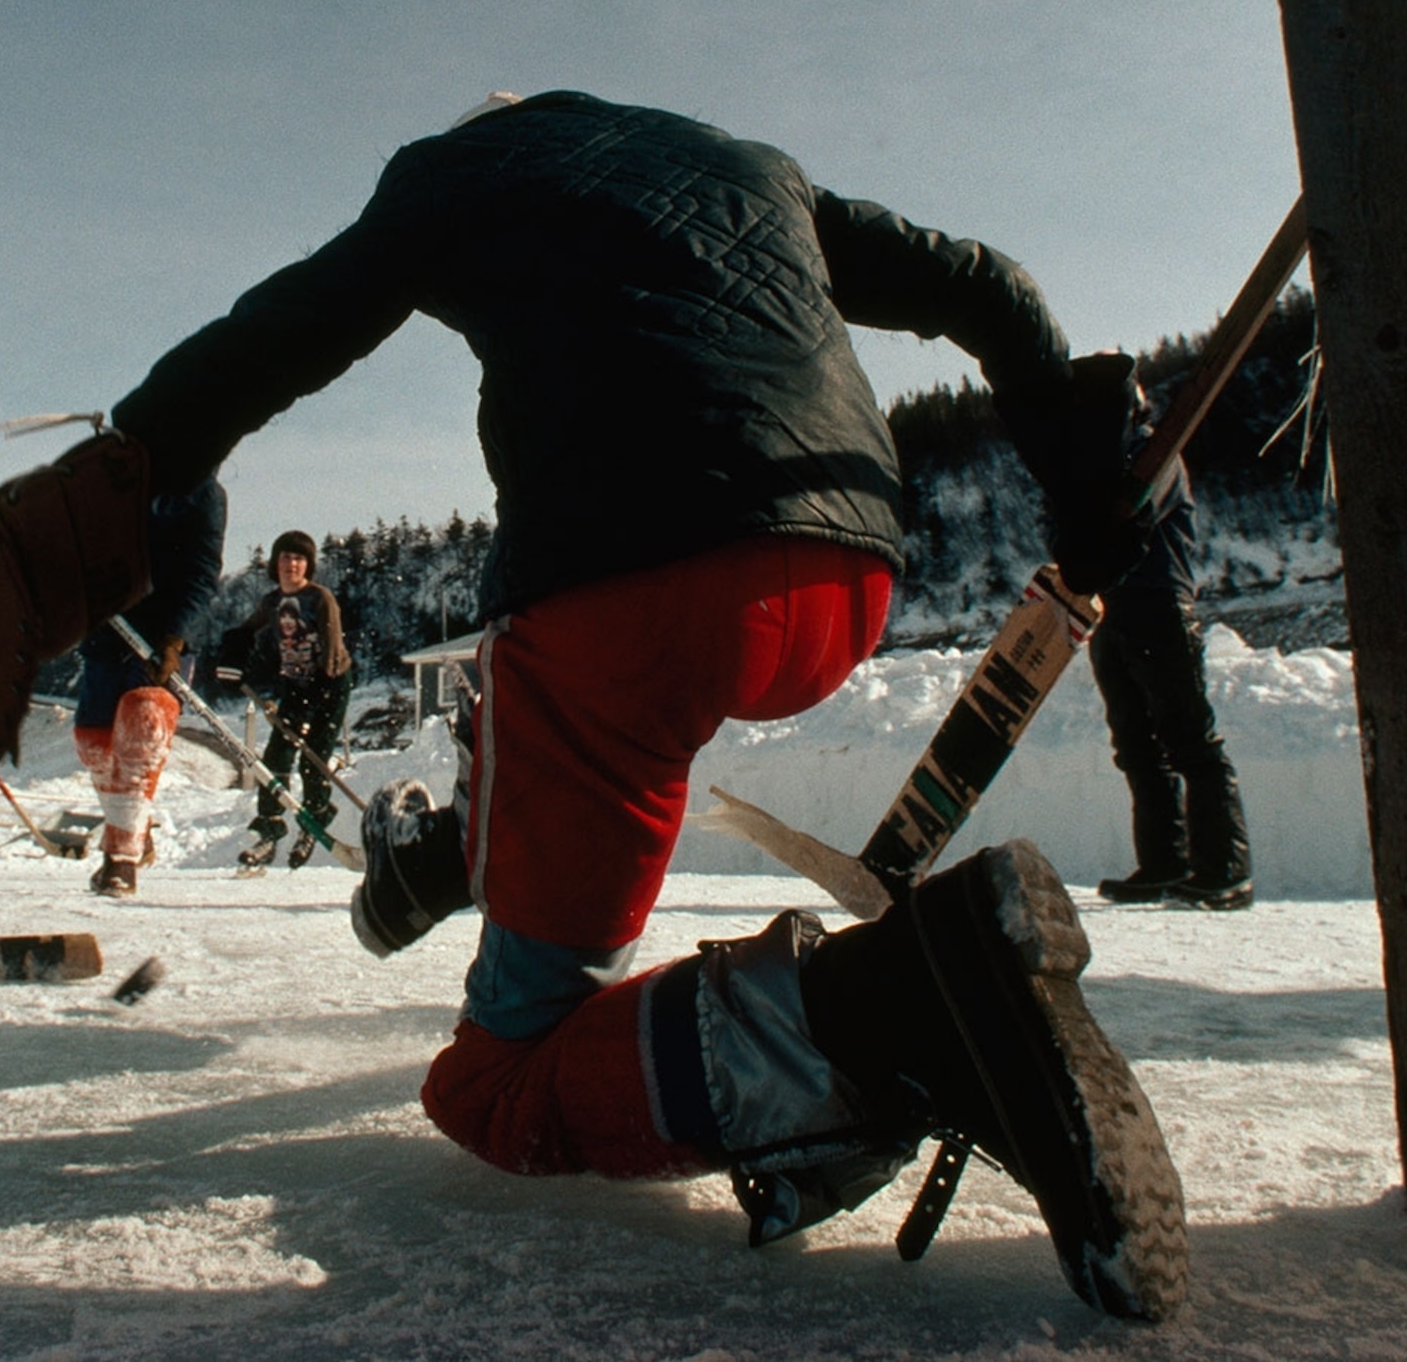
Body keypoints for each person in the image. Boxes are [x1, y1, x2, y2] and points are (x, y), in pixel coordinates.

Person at [99, 91, 1184, 1319]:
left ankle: (882, 1011)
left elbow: (282, 331)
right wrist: (1072, 468)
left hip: (623, 589)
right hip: (849, 571)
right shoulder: (743, 160)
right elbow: (984, 283)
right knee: (575, 709)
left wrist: (109, 473)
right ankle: (463, 850)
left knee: (499, 1084)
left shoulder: (458, 170)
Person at [1086, 404, 1249, 910]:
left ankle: (1225, 869)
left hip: (1160, 604)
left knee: (1189, 740)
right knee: (1137, 747)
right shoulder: (1105, 462)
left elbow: (1125, 513)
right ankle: (1164, 862)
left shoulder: (1155, 454)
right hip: (1112, 608)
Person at [68, 486, 227, 897]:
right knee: (93, 743)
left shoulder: (201, 494)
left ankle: (121, 860)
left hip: (161, 641)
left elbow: (201, 575)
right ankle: (136, 825)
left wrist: (176, 638)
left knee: (143, 722)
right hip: (108, 630)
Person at [218, 530, 351, 872]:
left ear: (308, 564)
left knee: (314, 757)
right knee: (276, 756)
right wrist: (233, 650)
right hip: (295, 684)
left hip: (330, 682)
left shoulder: (319, 598)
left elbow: (333, 646)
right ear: (275, 565)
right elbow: (248, 630)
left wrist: (322, 685)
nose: (291, 564)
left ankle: (315, 820)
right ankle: (268, 829)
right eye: (285, 558)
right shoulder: (272, 603)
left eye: (298, 558)